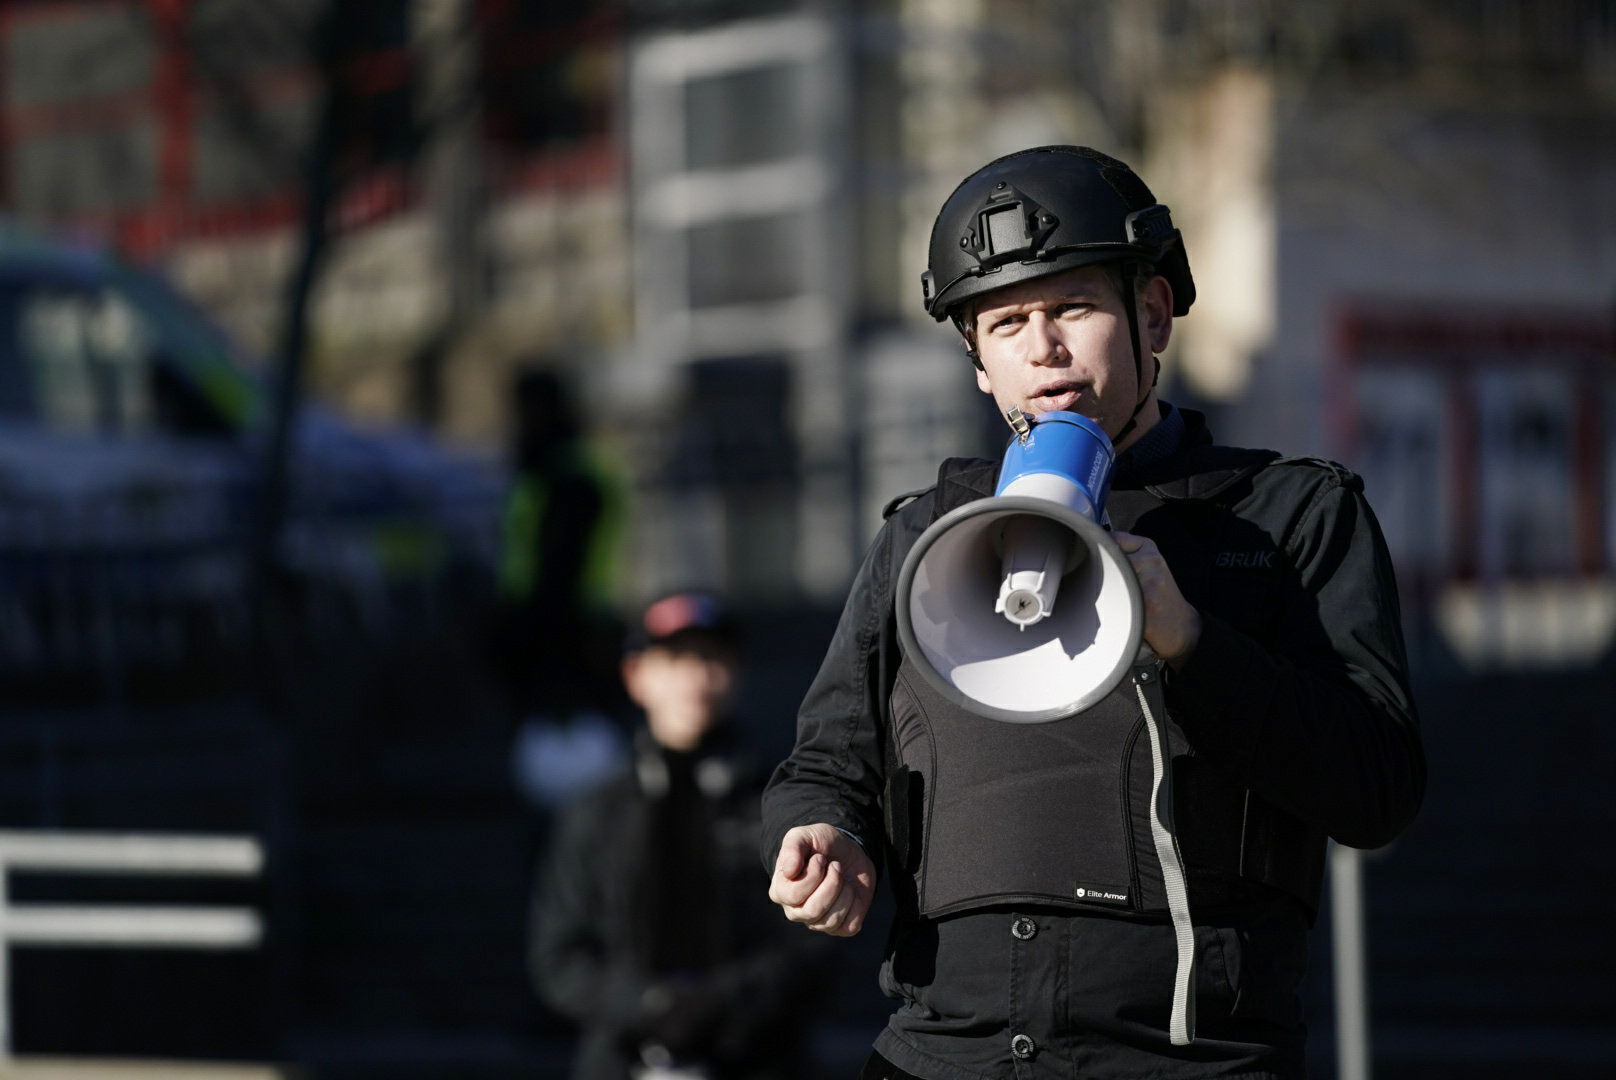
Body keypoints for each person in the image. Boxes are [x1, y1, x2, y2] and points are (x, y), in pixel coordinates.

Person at [762, 145, 1426, 1079]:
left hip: (1188, 1060)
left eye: (1072, 307)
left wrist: (1195, 644)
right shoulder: (922, 536)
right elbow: (827, 760)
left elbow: (1379, 788)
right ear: (978, 364)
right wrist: (820, 833)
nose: (1043, 349)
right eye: (1004, 324)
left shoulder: (1292, 517)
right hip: (939, 1057)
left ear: (1151, 314)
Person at [532, 591, 826, 1080]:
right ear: (635, 676)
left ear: (737, 671)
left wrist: (718, 1001)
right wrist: (647, 1004)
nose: (695, 677)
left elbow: (816, 945)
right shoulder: (594, 813)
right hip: (620, 1061)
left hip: (759, 1060)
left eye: (711, 658)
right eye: (674, 659)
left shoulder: (782, 803)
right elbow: (558, 955)